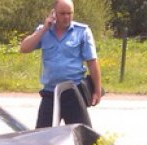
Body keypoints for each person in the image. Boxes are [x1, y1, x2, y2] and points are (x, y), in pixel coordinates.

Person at [19, 0, 102, 128]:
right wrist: (45, 28)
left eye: (69, 13)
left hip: (73, 92)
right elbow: (24, 48)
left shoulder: (82, 32)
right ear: (54, 13)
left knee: (83, 137)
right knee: (42, 137)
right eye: (62, 13)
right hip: (50, 93)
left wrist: (97, 90)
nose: (66, 17)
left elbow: (92, 62)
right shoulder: (43, 31)